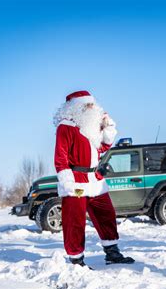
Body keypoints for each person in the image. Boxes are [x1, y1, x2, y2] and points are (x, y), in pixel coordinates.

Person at [54, 90, 134, 267]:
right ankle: (76, 259)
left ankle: (112, 252)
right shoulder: (65, 127)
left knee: (106, 214)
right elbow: (60, 158)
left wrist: (108, 127)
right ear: (76, 107)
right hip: (75, 179)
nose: (91, 108)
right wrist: (68, 182)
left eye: (92, 104)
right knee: (74, 221)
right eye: (87, 105)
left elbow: (104, 147)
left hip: (95, 179)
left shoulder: (91, 127)